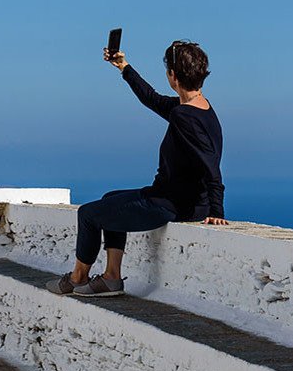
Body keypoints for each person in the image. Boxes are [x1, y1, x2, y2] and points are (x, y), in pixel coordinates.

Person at [47, 40, 227, 297]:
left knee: (87, 214)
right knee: (111, 199)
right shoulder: (198, 109)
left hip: (170, 204)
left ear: (172, 76)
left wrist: (216, 209)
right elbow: (151, 98)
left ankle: (77, 277)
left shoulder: (184, 116)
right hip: (175, 199)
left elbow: (210, 162)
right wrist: (123, 66)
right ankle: (111, 277)